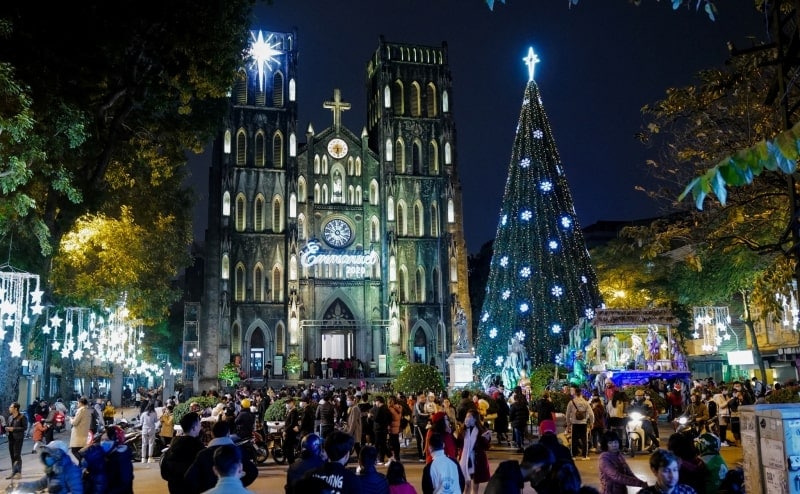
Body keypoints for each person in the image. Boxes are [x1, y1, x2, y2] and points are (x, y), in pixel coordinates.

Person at [185, 420, 258, 494]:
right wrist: (239, 483)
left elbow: (190, 477)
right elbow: (253, 472)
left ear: (212, 434)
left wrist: (204, 488)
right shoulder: (237, 452)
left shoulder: (203, 454)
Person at [160, 412, 204, 494]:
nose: (200, 427)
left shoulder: (173, 447)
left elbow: (164, 472)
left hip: (174, 488)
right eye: (199, 424)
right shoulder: (198, 448)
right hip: (193, 489)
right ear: (194, 428)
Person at [16, 440, 83, 494]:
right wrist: (24, 485)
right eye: (46, 455)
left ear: (58, 455)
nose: (47, 458)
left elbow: (77, 491)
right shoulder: (53, 471)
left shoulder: (71, 471)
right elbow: (40, 484)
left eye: (49, 455)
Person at [484, 443, 554, 494]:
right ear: (538, 469)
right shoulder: (508, 487)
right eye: (546, 473)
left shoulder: (509, 475)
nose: (544, 478)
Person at [82, 425, 134, 494]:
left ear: (116, 441)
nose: (103, 442)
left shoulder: (122, 458)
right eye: (102, 440)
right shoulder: (106, 456)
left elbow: (125, 484)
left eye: (107, 440)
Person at [536, 420, 582, 494]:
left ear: (541, 432)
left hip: (545, 488)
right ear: (555, 432)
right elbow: (573, 471)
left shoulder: (536, 450)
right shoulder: (564, 450)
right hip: (564, 488)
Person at [455, 409, 491, 494]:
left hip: (477, 460)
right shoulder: (463, 429)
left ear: (475, 419)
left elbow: (486, 446)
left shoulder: (481, 429)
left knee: (475, 485)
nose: (467, 418)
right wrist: (457, 434)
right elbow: (458, 444)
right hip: (465, 459)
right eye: (466, 416)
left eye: (469, 417)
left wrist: (487, 439)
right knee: (466, 485)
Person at [565, 385, 593, 459]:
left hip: (574, 423)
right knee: (584, 440)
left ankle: (573, 455)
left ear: (575, 393)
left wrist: (568, 423)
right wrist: (592, 422)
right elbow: (591, 414)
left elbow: (567, 414)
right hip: (583, 423)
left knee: (574, 440)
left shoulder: (571, 402)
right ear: (581, 393)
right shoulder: (586, 402)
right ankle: (584, 456)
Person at [5, 402, 28, 479]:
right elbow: (9, 426)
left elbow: (25, 427)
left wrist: (13, 429)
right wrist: (7, 429)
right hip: (10, 439)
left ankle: (18, 473)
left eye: (11, 407)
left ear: (15, 409)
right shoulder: (10, 417)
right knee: (12, 456)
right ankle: (13, 472)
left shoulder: (22, 417)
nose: (9, 408)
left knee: (17, 455)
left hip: (18, 439)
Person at [413, 392, 431, 461]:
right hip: (418, 425)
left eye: (424, 397)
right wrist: (429, 415)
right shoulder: (417, 405)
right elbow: (419, 414)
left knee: (425, 440)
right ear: (418, 398)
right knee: (421, 440)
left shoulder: (425, 404)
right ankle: (421, 456)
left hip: (424, 425)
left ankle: (425, 454)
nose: (424, 398)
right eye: (422, 397)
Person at [387, 396, 403, 462]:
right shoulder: (399, 407)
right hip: (397, 426)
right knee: (396, 442)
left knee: (391, 443)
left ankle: (392, 457)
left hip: (391, 427)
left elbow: (390, 418)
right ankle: (397, 456)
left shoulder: (390, 409)